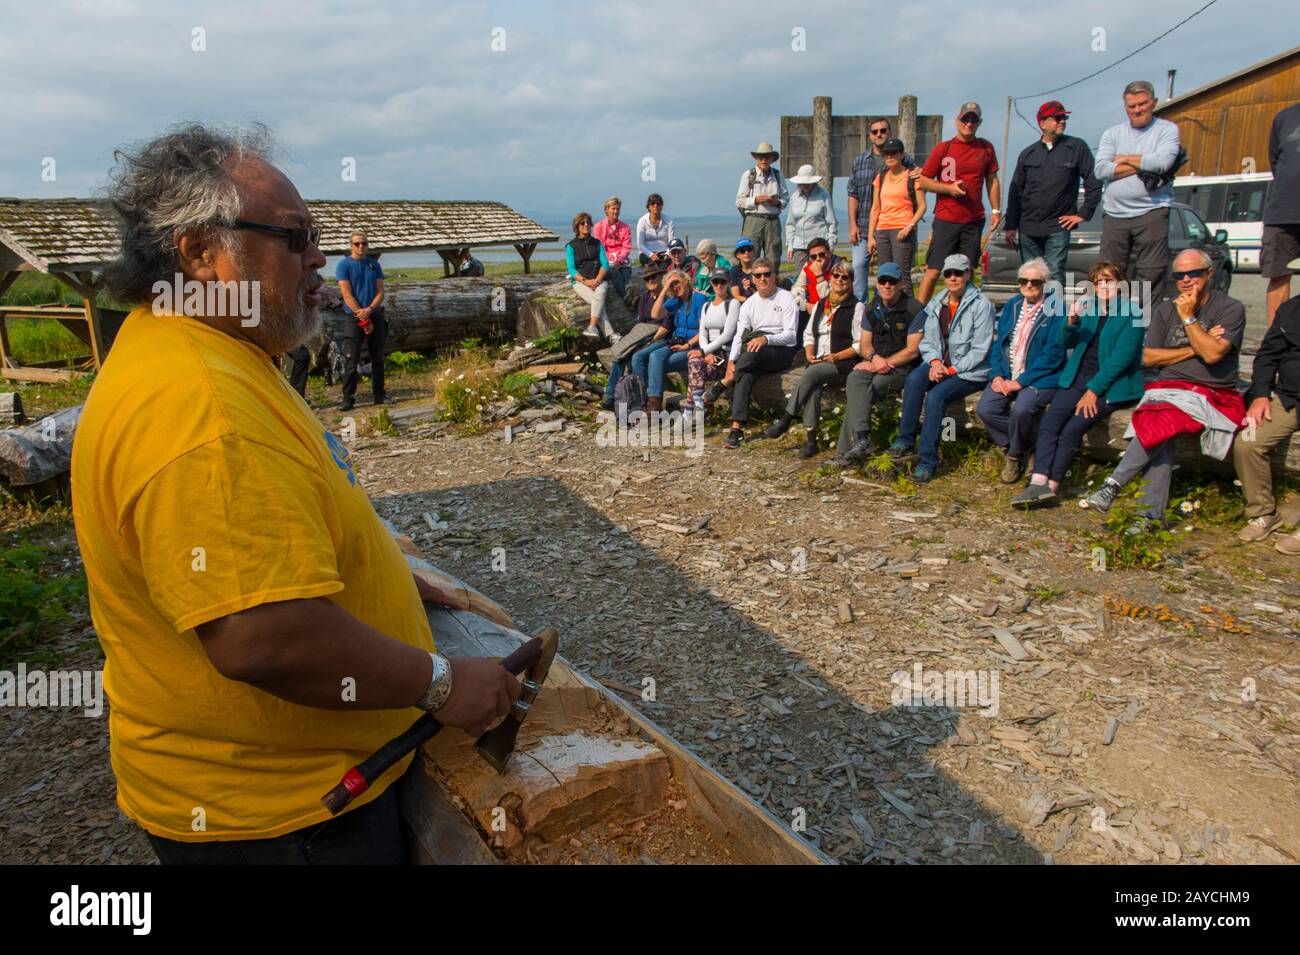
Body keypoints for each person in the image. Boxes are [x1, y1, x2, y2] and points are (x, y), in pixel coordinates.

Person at [74, 124, 518, 865]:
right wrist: (442, 684)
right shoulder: (202, 410)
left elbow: (244, 554)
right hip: (286, 822)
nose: (319, 255)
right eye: (294, 236)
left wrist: (360, 576)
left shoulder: (195, 346)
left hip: (268, 800)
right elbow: (262, 636)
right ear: (199, 252)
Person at [1084, 249, 1246, 533]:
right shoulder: (1164, 309)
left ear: (1209, 273)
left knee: (1161, 421)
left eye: (1193, 273)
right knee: (1159, 428)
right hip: (1166, 388)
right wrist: (1197, 346)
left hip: (1210, 391)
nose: (1185, 280)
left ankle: (1114, 484)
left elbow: (1213, 357)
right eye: (1178, 275)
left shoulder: (1229, 309)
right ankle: (1149, 517)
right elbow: (1147, 357)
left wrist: (1188, 318)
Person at [1011, 261, 1145, 507]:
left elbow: (1121, 359)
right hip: (1077, 377)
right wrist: (1071, 321)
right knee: (1050, 423)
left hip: (1110, 385)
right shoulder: (1089, 308)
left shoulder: (1133, 313)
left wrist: (1093, 391)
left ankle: (1052, 486)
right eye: (1097, 282)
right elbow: (1064, 343)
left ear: (1122, 284)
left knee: (1072, 429)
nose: (1103, 286)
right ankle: (1038, 482)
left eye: (1109, 280)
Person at [887, 253, 995, 482]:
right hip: (942, 364)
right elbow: (928, 341)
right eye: (948, 273)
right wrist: (935, 362)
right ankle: (905, 439)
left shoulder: (981, 305)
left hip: (970, 370)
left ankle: (927, 461)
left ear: (968, 274)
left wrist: (951, 370)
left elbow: (980, 349)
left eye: (959, 273)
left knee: (936, 397)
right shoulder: (937, 302)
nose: (953, 278)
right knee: (915, 380)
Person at [976, 257, 1067, 483]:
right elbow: (999, 344)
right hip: (1008, 373)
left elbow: (1054, 354)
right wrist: (997, 374)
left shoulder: (1056, 309)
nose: (1028, 285)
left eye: (1035, 282)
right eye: (1023, 281)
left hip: (1040, 377)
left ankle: (1014, 457)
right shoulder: (1012, 305)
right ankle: (1025, 444)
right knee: (986, 409)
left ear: (1044, 284)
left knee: (1021, 410)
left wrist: (1022, 381)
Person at [1095, 80, 1183, 307]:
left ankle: (1144, 332)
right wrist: (1143, 162)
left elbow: (1163, 163)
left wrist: (1122, 158)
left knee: (1150, 275)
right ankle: (1109, 325)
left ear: (1153, 103)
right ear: (1125, 107)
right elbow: (1101, 169)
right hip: (1115, 214)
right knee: (1108, 275)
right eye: (1131, 106)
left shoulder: (1167, 129)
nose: (1137, 110)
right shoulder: (1112, 134)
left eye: (1142, 104)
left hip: (1152, 212)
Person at [763, 260, 862, 459]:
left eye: (845, 277)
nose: (839, 281)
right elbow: (808, 335)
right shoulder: (820, 304)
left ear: (851, 282)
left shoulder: (857, 307)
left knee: (812, 373)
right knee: (813, 387)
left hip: (842, 363)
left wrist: (837, 356)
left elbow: (860, 344)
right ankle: (811, 440)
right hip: (817, 360)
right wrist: (808, 353)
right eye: (836, 276)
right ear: (830, 278)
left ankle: (786, 418)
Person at [829, 262, 925, 466]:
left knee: (868, 390)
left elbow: (912, 350)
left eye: (892, 281)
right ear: (878, 284)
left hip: (904, 368)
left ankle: (845, 451)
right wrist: (874, 359)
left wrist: (885, 364)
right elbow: (864, 344)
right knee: (855, 379)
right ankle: (862, 439)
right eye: (883, 281)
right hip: (877, 363)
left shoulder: (914, 309)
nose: (887, 285)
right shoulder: (872, 307)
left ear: (901, 284)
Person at [1232, 275, 1300, 552]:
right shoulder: (1291, 310)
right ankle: (1263, 513)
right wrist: (1260, 394)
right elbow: (1267, 356)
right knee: (1247, 442)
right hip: (1288, 398)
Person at [1003, 101, 1101, 288]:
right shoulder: (1028, 154)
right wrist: (1011, 225)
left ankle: (1053, 316)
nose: (1062, 121)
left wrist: (1083, 213)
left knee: (1054, 275)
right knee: (1030, 277)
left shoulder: (1076, 147)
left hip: (1057, 225)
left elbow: (1093, 182)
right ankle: (1033, 316)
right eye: (1056, 118)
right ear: (1042, 123)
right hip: (1028, 227)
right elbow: (1016, 191)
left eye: (1064, 118)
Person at [915, 102, 1001, 306]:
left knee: (966, 272)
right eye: (965, 119)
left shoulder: (986, 148)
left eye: (973, 120)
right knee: (934, 270)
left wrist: (996, 210)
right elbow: (923, 181)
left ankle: (965, 312)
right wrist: (949, 188)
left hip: (973, 220)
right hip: (947, 219)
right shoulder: (943, 149)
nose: (968, 124)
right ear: (957, 121)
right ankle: (918, 316)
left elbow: (992, 180)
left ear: (979, 123)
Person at [719, 258, 798, 448]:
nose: (763, 279)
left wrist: (767, 339)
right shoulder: (749, 304)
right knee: (745, 374)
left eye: (767, 274)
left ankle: (722, 384)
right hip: (756, 352)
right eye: (758, 275)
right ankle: (736, 429)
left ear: (774, 276)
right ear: (752, 279)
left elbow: (791, 336)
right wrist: (731, 362)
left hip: (781, 351)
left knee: (754, 352)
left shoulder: (786, 297)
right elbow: (739, 336)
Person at [848, 117, 915, 300]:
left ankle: (891, 312)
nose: (879, 134)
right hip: (864, 226)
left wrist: (911, 224)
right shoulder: (860, 161)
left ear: (890, 132)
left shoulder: (906, 160)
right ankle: (862, 314)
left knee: (894, 273)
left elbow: (918, 190)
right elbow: (853, 194)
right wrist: (852, 225)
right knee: (859, 271)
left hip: (895, 226)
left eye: (883, 130)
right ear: (870, 136)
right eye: (875, 131)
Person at [631, 270, 707, 414]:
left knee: (655, 359)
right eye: (672, 285)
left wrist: (688, 345)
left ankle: (654, 405)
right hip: (675, 342)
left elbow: (704, 330)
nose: (675, 287)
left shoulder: (699, 299)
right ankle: (643, 401)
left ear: (686, 280)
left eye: (677, 282)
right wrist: (666, 288)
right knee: (642, 357)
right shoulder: (675, 301)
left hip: (692, 345)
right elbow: (655, 313)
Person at [602, 264, 667, 410]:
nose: (650, 281)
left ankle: (639, 397)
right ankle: (611, 395)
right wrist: (637, 340)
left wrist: (650, 341)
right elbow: (640, 321)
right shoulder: (645, 297)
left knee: (636, 356)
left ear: (661, 277)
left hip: (659, 335)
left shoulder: (667, 297)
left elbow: (667, 325)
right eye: (647, 279)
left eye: (653, 277)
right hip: (643, 333)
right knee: (620, 356)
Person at [868, 138, 927, 296]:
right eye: (886, 153)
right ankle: (882, 314)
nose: (889, 156)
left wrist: (909, 226)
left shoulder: (912, 176)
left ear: (902, 154)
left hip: (902, 228)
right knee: (884, 275)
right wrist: (870, 237)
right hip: (882, 229)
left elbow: (922, 206)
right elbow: (875, 207)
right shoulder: (880, 177)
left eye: (893, 153)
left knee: (902, 275)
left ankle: (909, 314)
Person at [337, 230, 387, 411]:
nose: (361, 247)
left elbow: (380, 291)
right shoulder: (344, 265)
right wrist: (361, 313)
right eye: (357, 243)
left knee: (377, 357)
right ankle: (348, 398)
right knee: (352, 359)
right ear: (351, 245)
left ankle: (379, 395)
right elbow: (346, 293)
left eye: (364, 243)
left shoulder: (374, 265)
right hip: (354, 315)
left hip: (374, 312)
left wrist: (370, 309)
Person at [1263, 102, 1300, 326]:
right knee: (1278, 276)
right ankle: (1275, 344)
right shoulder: (1284, 117)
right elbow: (1276, 162)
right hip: (1282, 213)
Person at [689, 268, 739, 410]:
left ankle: (692, 407)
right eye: (716, 281)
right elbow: (703, 334)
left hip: (725, 354)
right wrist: (706, 353)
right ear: (711, 283)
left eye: (722, 281)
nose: (719, 285)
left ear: (728, 283)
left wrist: (703, 351)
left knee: (695, 368)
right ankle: (699, 405)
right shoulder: (706, 306)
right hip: (711, 353)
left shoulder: (733, 304)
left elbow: (727, 335)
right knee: (694, 362)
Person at [735, 142, 789, 272]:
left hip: (773, 220)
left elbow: (786, 199)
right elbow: (739, 201)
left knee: (774, 257)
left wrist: (775, 202)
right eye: (761, 156)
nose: (763, 159)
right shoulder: (748, 175)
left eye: (766, 156)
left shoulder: (778, 175)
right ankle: (749, 287)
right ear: (756, 158)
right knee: (749, 256)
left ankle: (772, 286)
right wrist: (756, 200)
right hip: (753, 219)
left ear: (771, 158)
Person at [567, 212, 614, 342]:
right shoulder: (571, 246)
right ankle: (611, 335)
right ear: (577, 226)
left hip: (600, 280)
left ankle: (592, 326)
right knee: (596, 300)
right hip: (580, 282)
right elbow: (571, 269)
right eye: (583, 223)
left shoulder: (597, 243)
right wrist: (585, 281)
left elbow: (605, 264)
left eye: (588, 223)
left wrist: (598, 280)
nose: (586, 225)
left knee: (600, 293)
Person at [785, 164, 837, 271]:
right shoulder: (794, 197)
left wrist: (831, 244)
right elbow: (790, 224)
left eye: (808, 182)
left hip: (818, 245)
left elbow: (831, 222)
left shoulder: (823, 195)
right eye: (803, 182)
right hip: (799, 245)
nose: (806, 185)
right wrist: (790, 244)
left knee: (819, 276)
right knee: (802, 277)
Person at [792, 237, 835, 340]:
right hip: (813, 308)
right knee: (797, 308)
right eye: (813, 256)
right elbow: (796, 290)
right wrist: (805, 304)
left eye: (821, 254)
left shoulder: (838, 268)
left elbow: (831, 300)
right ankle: (798, 346)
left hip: (834, 312)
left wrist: (818, 274)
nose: (818, 259)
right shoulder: (807, 266)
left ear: (829, 253)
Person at [592, 196, 633, 297]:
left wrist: (619, 259)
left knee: (626, 273)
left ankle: (630, 295)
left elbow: (626, 247)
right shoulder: (599, 227)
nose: (616, 211)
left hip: (622, 260)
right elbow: (600, 247)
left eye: (618, 209)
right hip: (606, 260)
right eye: (613, 208)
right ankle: (627, 297)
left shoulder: (625, 227)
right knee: (613, 270)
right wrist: (610, 259)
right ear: (606, 209)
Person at [635, 193, 675, 266]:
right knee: (650, 264)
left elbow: (671, 242)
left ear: (662, 206)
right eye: (653, 203)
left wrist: (667, 254)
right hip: (647, 253)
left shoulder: (669, 221)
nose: (655, 206)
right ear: (649, 207)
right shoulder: (642, 221)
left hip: (664, 252)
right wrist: (651, 255)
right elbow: (640, 245)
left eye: (658, 204)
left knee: (665, 265)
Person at [729, 237, 758, 302]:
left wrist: (752, 288)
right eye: (742, 251)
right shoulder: (734, 271)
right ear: (737, 255)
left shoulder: (759, 269)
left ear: (753, 252)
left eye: (749, 249)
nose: (746, 253)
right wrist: (749, 302)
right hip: (742, 305)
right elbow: (735, 295)